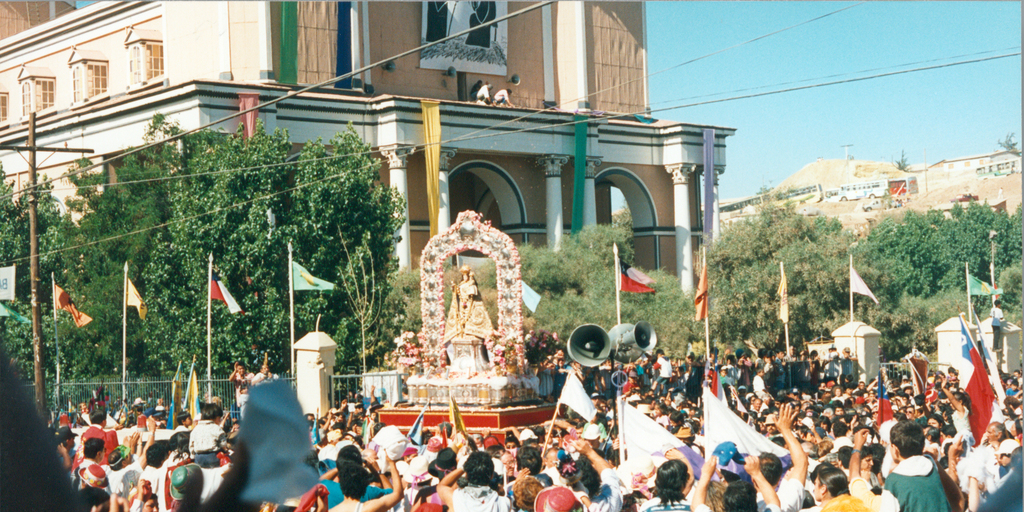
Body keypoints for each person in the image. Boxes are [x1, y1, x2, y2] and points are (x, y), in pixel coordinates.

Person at [437, 450, 511, 512]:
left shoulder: (457, 498)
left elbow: (442, 485)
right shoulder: (504, 503)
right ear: (491, 475)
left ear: (466, 475)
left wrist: (464, 467)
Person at [991, 299, 1004, 369]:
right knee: (997, 336)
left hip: (992, 323)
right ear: (998, 304)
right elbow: (1001, 318)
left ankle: (995, 346)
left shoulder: (992, 309)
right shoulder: (999, 310)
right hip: (997, 324)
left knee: (994, 335)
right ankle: (995, 347)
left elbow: (991, 316)